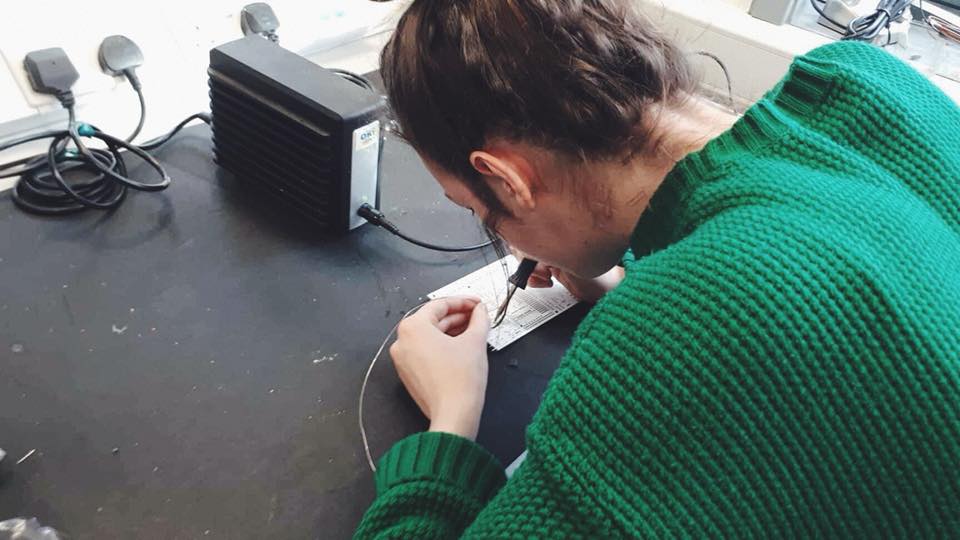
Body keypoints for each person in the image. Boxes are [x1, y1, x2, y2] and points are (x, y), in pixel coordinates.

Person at [355, 0, 960, 537]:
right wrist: (633, 274)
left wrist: (450, 419)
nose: (496, 232)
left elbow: (737, 310)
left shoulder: (684, 333)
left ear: (509, 180)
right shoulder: (866, 85)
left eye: (478, 210)